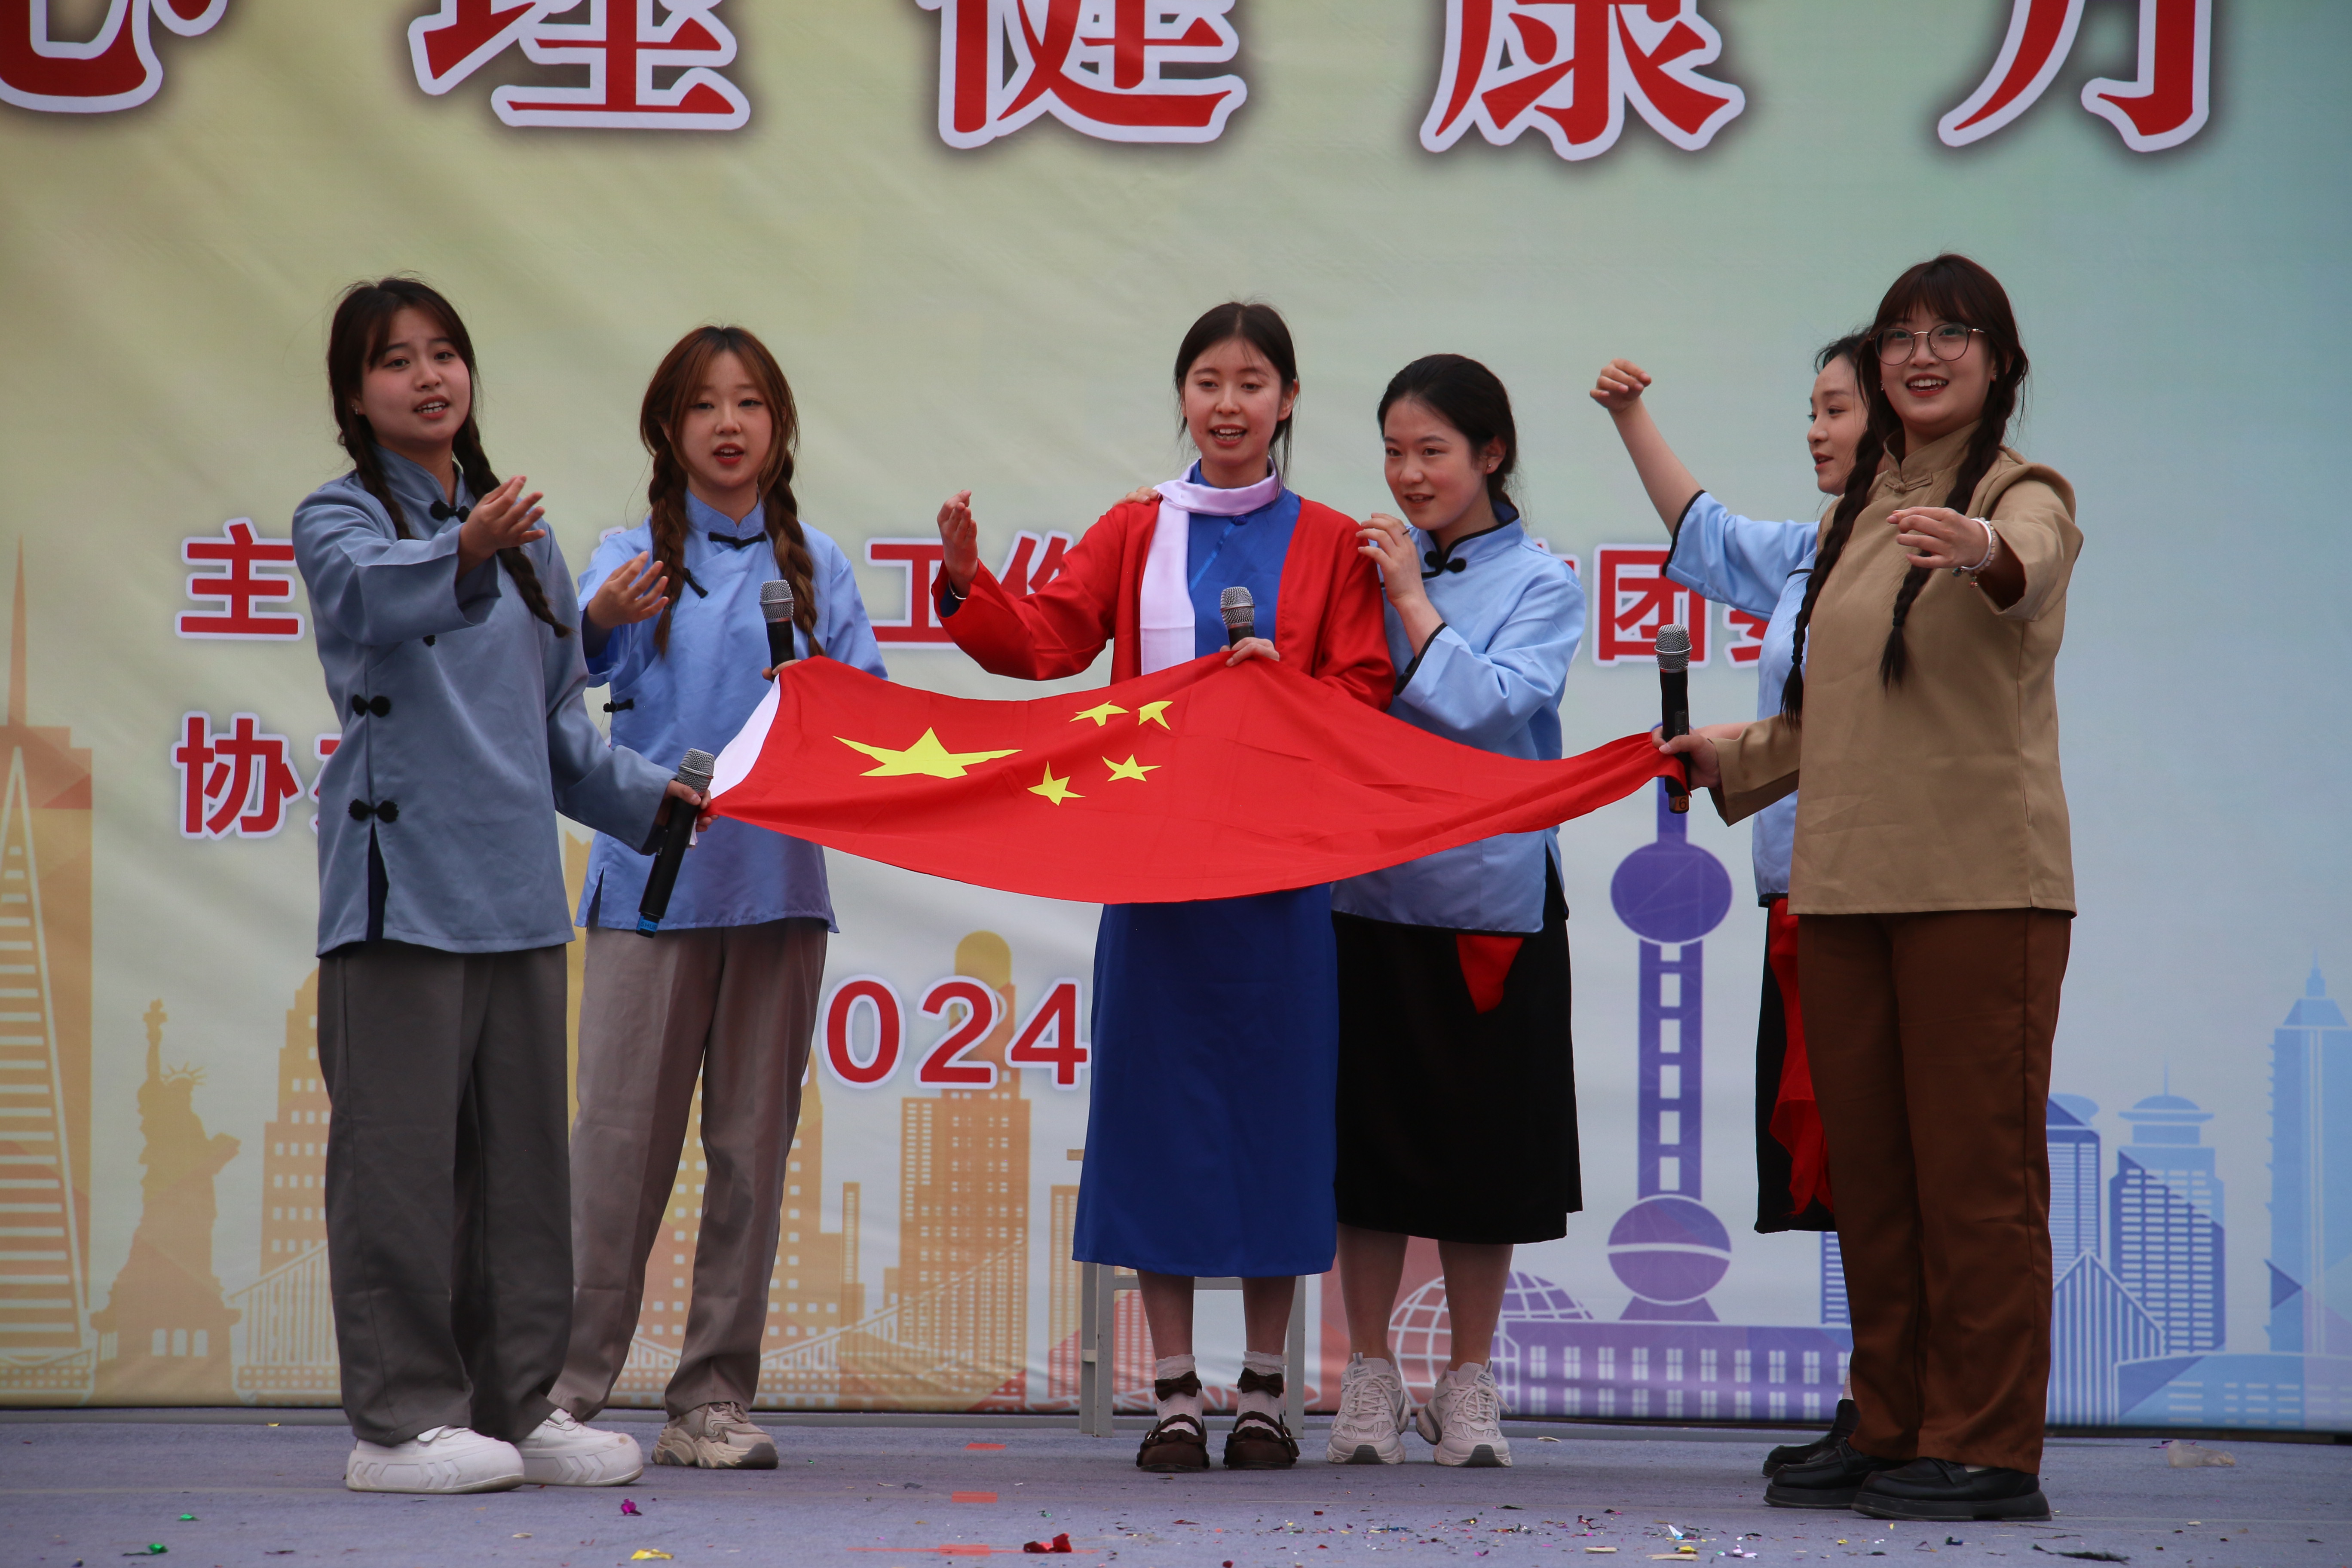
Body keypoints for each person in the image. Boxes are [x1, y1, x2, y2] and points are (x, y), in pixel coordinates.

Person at [931, 302, 1390, 1472]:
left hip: (1281, 877)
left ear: (1288, 401)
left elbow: (1366, 691)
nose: (1228, 404)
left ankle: (1267, 1387)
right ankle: (1176, 1390)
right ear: (1183, 398)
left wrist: (1285, 688)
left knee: (1276, 1120)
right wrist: (967, 581)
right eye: (1207, 382)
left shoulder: (1331, 541)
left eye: (1252, 382)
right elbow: (1045, 640)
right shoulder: (1138, 528)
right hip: (1158, 871)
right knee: (1158, 1121)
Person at [1661, 254, 2080, 1523]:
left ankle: (1987, 1443)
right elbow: (1829, 715)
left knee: (1974, 1176)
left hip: (1976, 887)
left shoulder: (2019, 490)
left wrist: (1982, 548)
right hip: (1844, 887)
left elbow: (2030, 564)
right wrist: (1728, 759)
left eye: (1953, 334)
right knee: (1879, 1181)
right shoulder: (1856, 517)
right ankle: (1893, 1419)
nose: (1923, 354)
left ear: (1999, 361)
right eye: (1902, 334)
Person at [293, 278, 698, 1495]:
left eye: (445, 353)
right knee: (400, 1165)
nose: (428, 377)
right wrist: (464, 548)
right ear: (354, 396)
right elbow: (369, 601)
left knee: (525, 1173)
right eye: (395, 361)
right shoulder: (341, 518)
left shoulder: (519, 534)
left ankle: (518, 1405)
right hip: (401, 885)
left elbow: (556, 725)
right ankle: (400, 1423)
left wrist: (662, 801)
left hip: (515, 887)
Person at [549, 327, 888, 1468]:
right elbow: (561, 677)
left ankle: (710, 1400)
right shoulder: (625, 556)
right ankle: (562, 1392)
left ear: (779, 427)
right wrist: (602, 621)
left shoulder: (818, 565)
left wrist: (827, 694)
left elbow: (872, 723)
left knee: (750, 1155)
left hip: (778, 892)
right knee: (617, 1153)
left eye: (749, 404)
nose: (729, 425)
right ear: (668, 428)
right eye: (704, 405)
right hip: (653, 888)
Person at [1590, 335, 1869, 1479]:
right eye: (1813, 408)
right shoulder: (1811, 555)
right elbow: (1701, 531)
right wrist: (1630, 418)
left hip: (1872, 895)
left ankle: (1900, 1401)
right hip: (1796, 894)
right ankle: (1876, 1396)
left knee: (1876, 1157)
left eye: (1838, 409)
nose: (1816, 430)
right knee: (1839, 1164)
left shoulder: (1914, 559)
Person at [1323, 356, 1586, 1470]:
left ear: (1491, 454)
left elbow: (1490, 708)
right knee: (1368, 1152)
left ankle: (1470, 1381)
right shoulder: (1362, 567)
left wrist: (1410, 602)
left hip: (1491, 904)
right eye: (1394, 451)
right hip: (1368, 892)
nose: (1409, 474)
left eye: (1433, 451)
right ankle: (1369, 1374)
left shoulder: (1545, 582)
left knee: (1487, 1159)